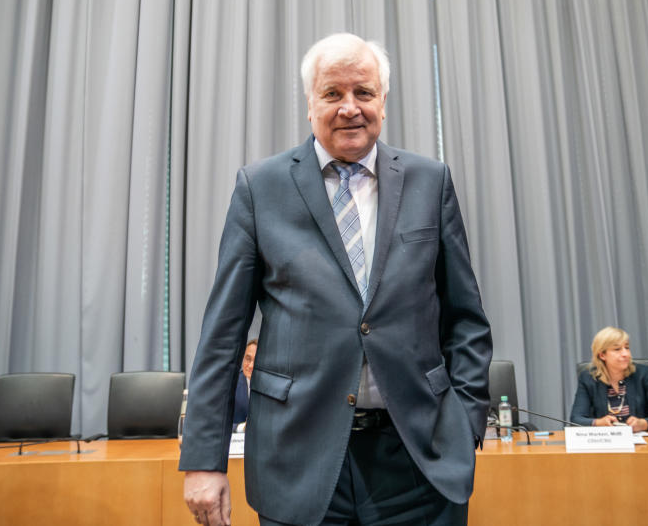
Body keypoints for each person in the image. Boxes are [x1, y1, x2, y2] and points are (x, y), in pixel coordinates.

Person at [180, 33, 492, 526]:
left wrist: (467, 420)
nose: (350, 108)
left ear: (382, 102)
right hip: (299, 460)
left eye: (363, 93)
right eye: (333, 94)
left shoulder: (430, 181)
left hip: (418, 461)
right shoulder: (260, 187)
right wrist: (203, 458)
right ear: (311, 104)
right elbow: (222, 335)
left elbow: (466, 319)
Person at [569, 326, 648, 432]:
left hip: (641, 444)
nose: (625, 354)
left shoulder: (643, 374)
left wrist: (644, 423)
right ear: (602, 355)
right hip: (605, 443)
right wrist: (598, 423)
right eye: (617, 349)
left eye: (627, 348)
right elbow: (576, 420)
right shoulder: (588, 378)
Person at [232, 339, 258, 431]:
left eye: (256, 360)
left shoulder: (273, 386)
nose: (250, 366)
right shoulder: (232, 384)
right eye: (248, 359)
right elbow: (218, 422)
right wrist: (241, 427)